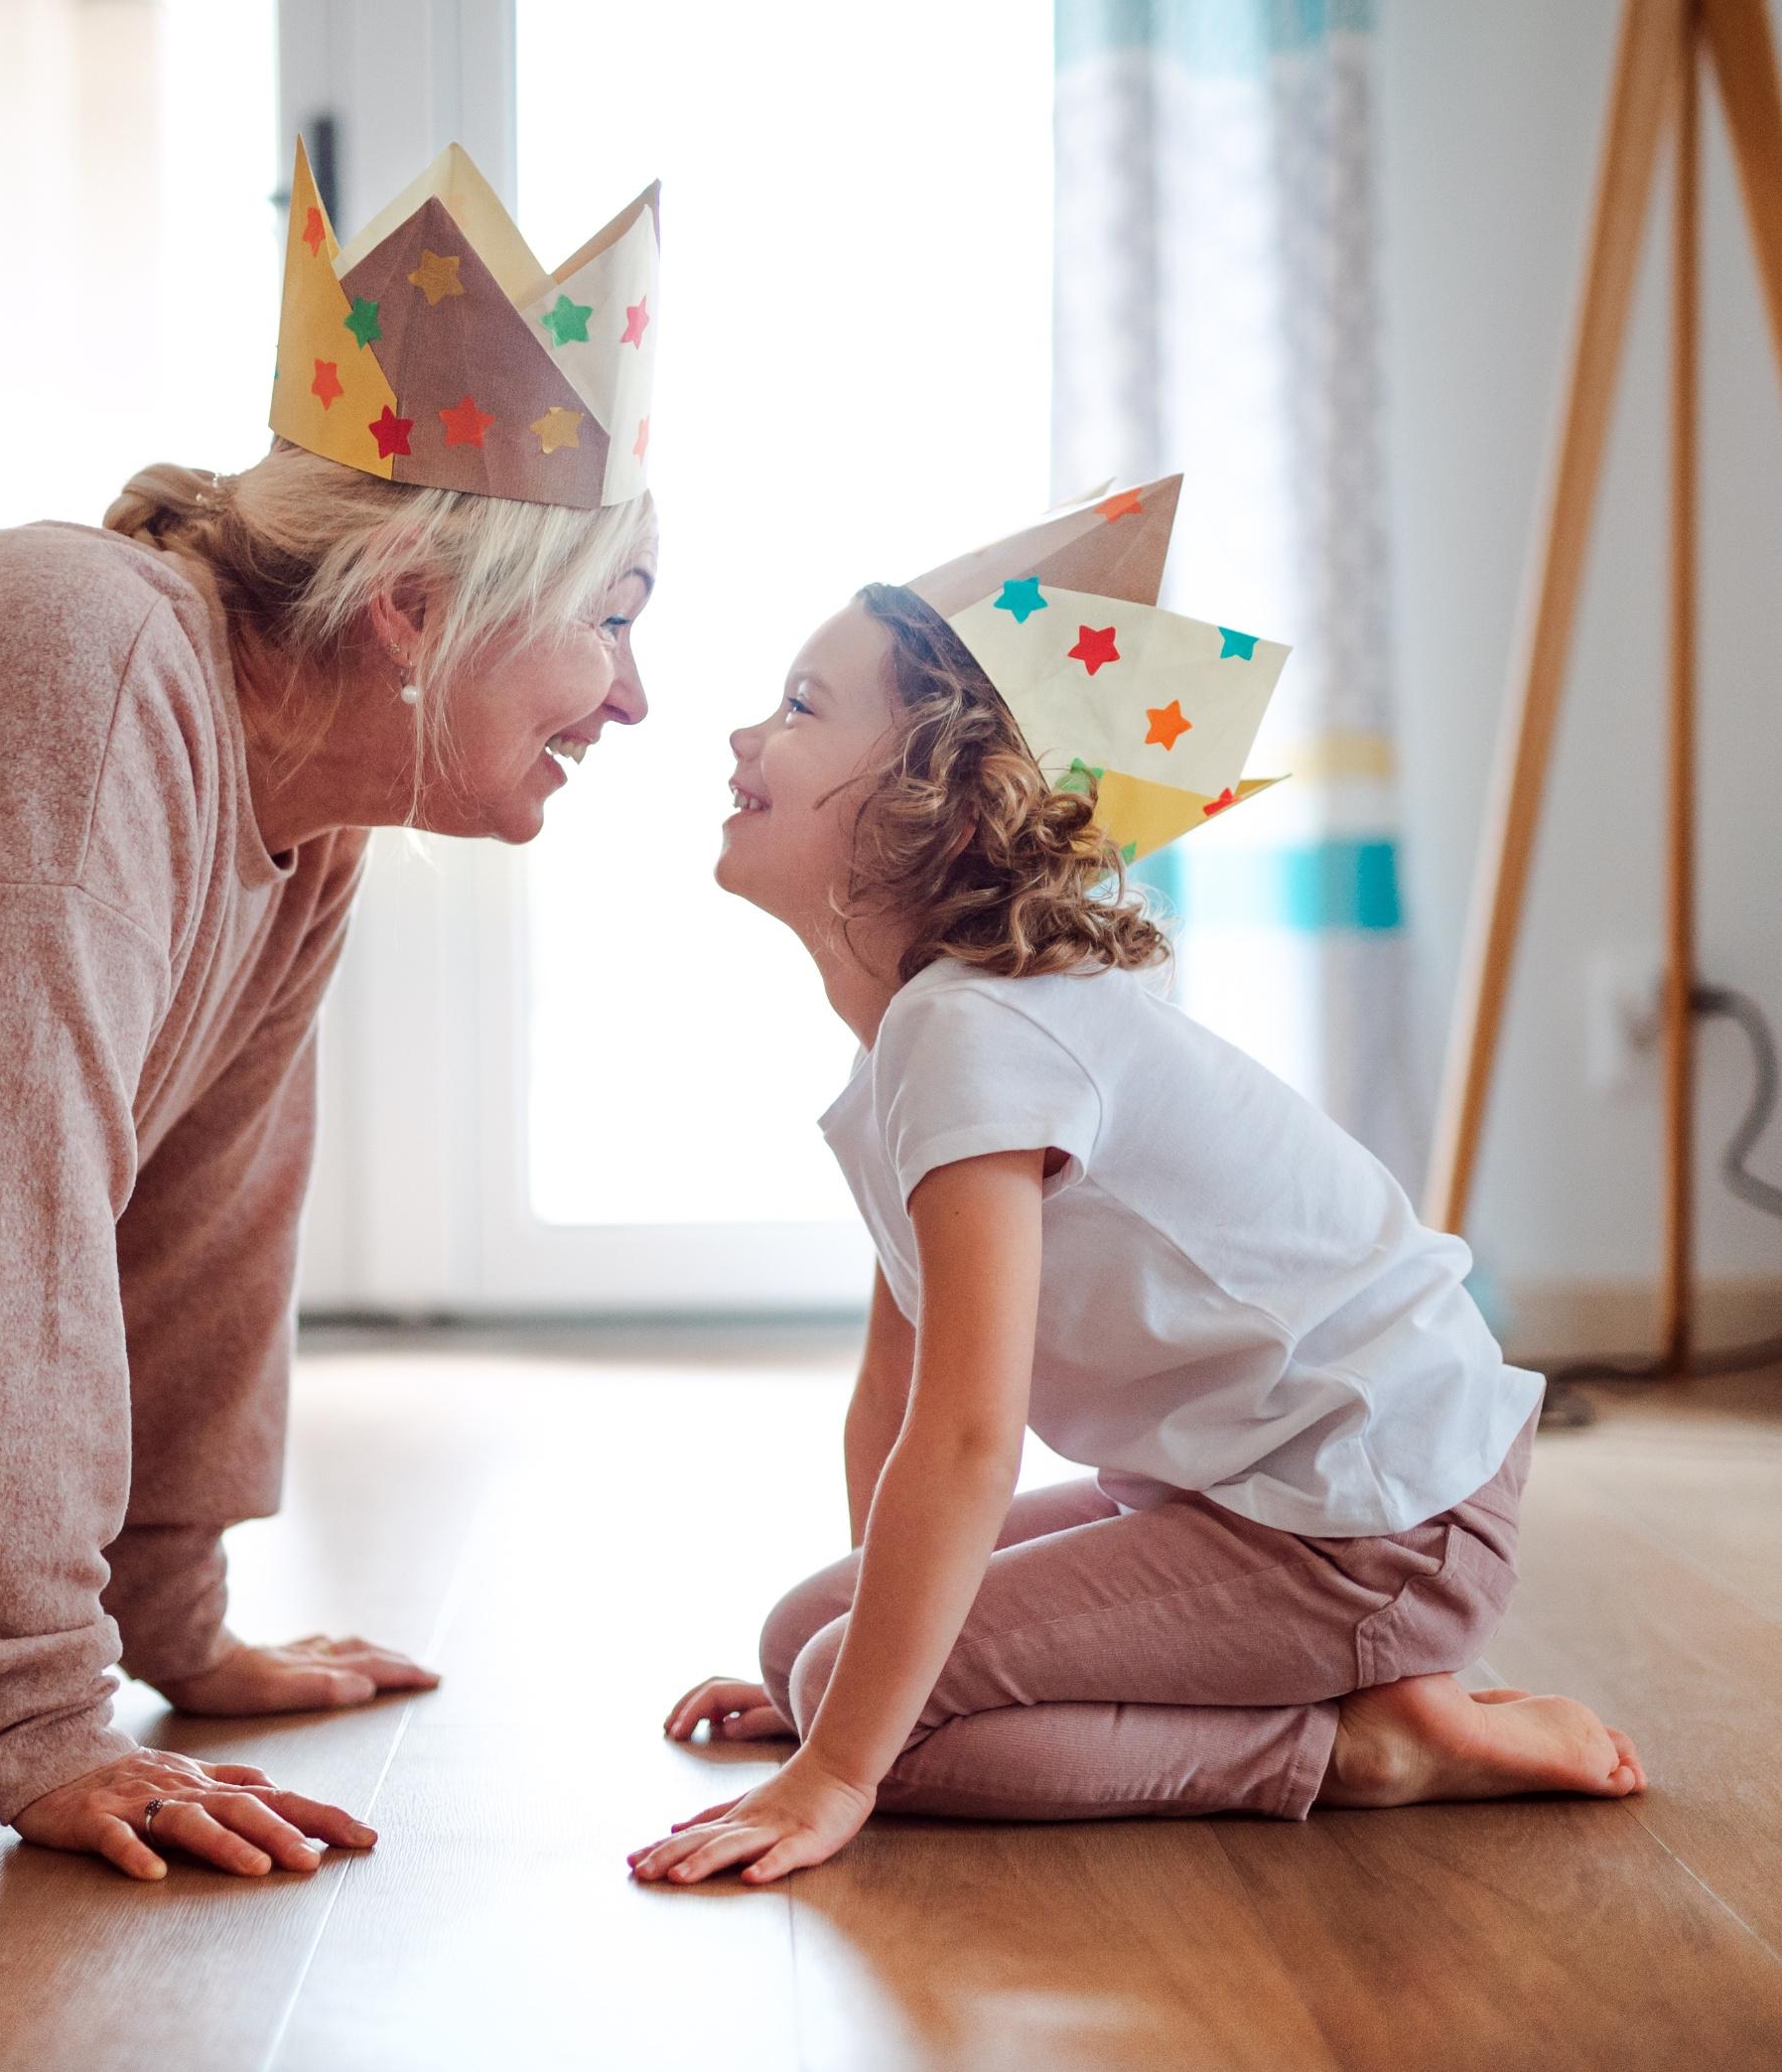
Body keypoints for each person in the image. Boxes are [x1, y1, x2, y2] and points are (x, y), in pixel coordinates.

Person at [0, 140, 661, 1882]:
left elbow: (205, 1209)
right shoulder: (83, 662)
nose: (640, 699)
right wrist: (36, 1715)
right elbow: (9, 1195)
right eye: (613, 622)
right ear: (413, 609)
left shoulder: (300, 816)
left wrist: (169, 1620)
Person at [628, 487, 1643, 1887]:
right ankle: (1369, 1693)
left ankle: (1363, 1747)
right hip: (1267, 1492)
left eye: (802, 706)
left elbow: (971, 1438)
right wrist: (867, 1662)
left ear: (932, 798)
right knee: (810, 1634)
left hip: (1380, 1520)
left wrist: (847, 1752)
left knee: (881, 1723)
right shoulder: (918, 1045)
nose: (747, 735)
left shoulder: (974, 1035)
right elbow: (898, 1394)